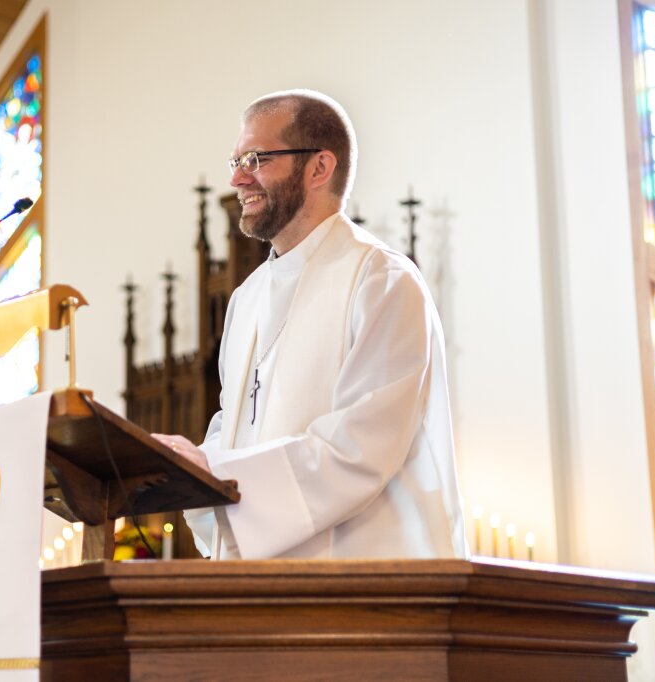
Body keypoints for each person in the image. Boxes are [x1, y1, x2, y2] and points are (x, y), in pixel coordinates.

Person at [151, 90, 467, 560]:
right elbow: (231, 431)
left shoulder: (380, 281)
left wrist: (214, 472)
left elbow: (358, 452)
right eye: (235, 160)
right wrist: (190, 469)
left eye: (256, 159)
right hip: (256, 594)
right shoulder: (247, 298)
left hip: (370, 593)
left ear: (320, 167)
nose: (238, 178)